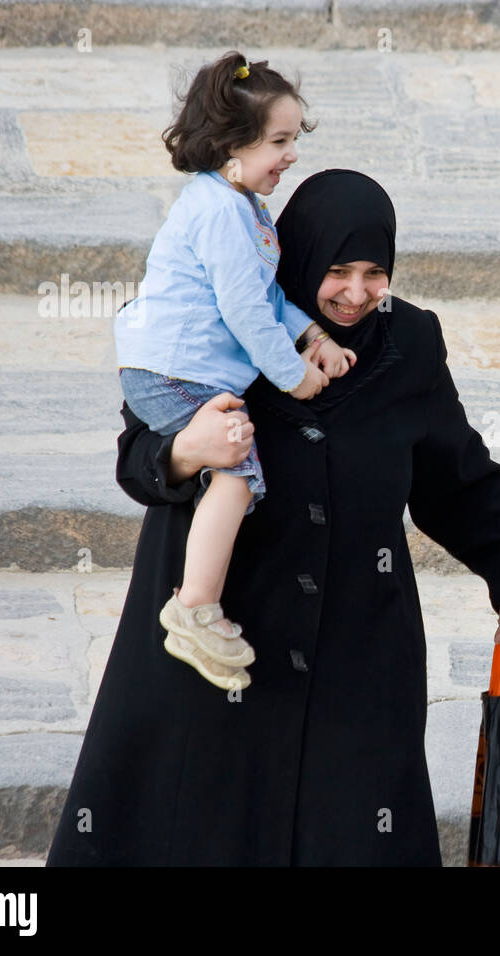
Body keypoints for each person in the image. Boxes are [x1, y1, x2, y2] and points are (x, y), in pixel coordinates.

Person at [48, 169, 500, 865]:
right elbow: (138, 463)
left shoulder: (410, 342)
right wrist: (187, 451)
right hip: (222, 643)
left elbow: (455, 477)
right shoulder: (216, 316)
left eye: (375, 273)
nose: (356, 293)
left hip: (356, 644)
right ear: (299, 259)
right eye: (337, 271)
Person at [114, 51, 355, 690]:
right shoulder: (219, 210)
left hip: (184, 367)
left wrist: (313, 335)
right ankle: (194, 607)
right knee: (238, 470)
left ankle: (199, 602)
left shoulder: (242, 205)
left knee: (235, 469)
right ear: (231, 144)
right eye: (279, 141)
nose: (291, 155)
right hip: (172, 370)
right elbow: (244, 309)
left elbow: (268, 296)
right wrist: (293, 375)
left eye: (294, 139)